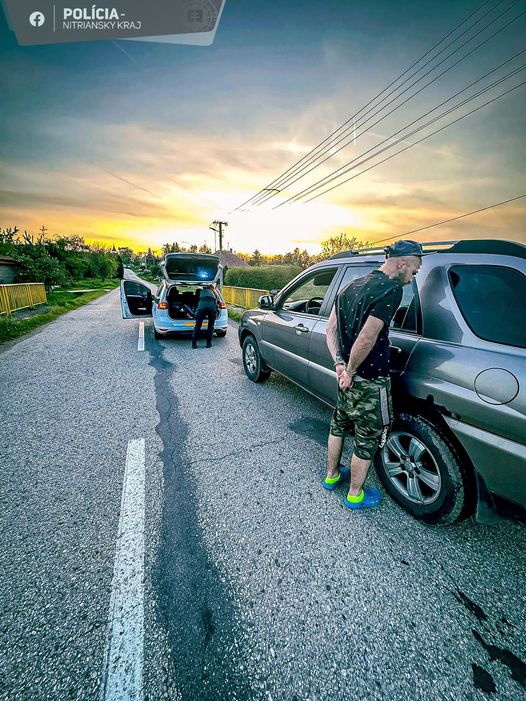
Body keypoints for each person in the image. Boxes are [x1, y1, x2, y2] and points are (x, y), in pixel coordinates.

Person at [323, 240, 423, 510]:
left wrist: (340, 365)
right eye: (414, 271)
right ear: (403, 263)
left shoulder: (351, 284)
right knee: (366, 440)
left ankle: (332, 476)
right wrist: (351, 370)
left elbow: (330, 329)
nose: (413, 277)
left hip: (346, 378)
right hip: (369, 382)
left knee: (338, 427)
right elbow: (368, 337)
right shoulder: (390, 290)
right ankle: (355, 494)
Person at [192, 283, 219, 349]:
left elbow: (196, 301)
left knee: (198, 325)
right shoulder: (214, 292)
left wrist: (196, 311)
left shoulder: (200, 291)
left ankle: (194, 344)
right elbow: (217, 301)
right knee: (210, 326)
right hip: (211, 307)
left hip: (201, 307)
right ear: (212, 287)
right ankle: (208, 343)